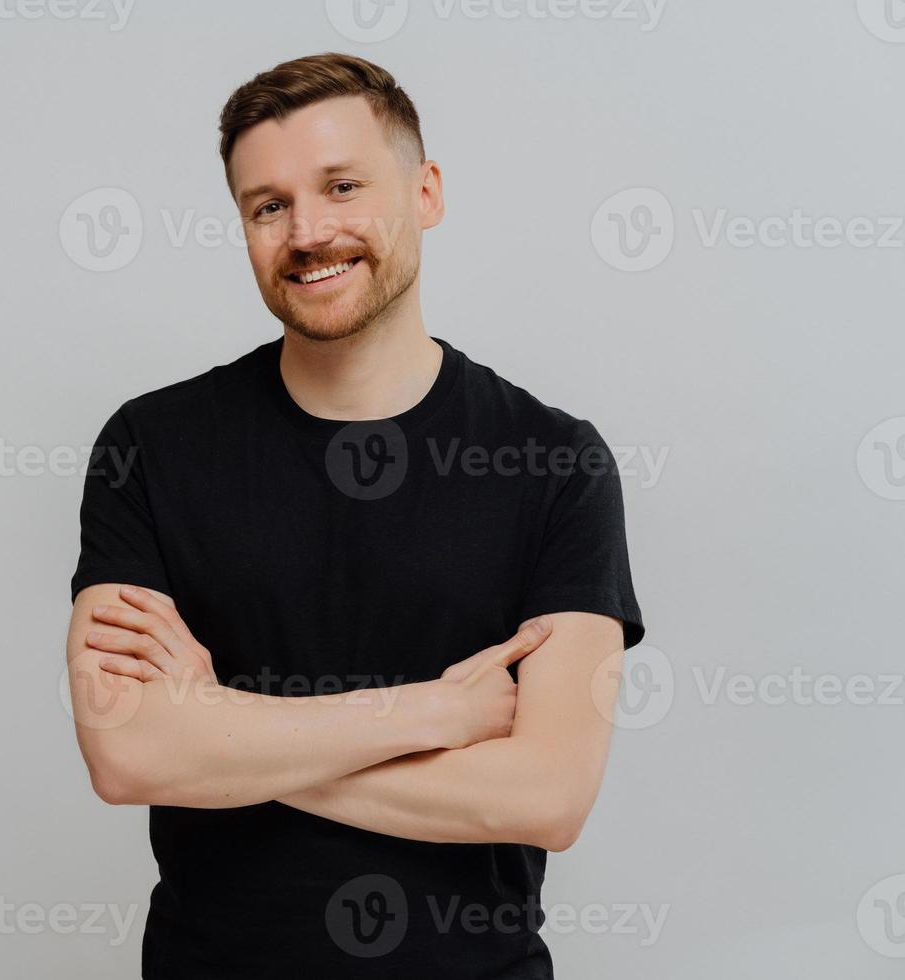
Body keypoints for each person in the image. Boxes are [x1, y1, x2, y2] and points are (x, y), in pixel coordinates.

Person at [65, 51, 645, 979]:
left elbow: (547, 795)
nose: (306, 231)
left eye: (342, 186)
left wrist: (216, 730)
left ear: (426, 193)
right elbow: (128, 756)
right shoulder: (151, 445)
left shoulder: (555, 461)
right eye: (267, 205)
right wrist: (437, 713)